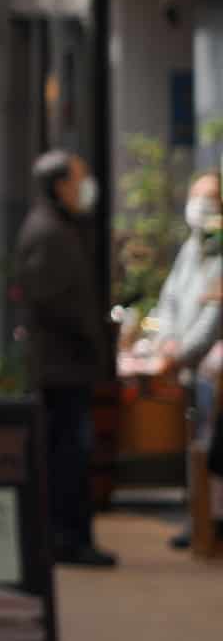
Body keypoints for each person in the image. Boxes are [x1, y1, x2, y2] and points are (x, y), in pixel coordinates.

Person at [17, 149, 116, 567]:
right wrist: (90, 336)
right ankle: (67, 537)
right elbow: (53, 300)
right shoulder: (50, 232)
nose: (86, 187)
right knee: (67, 453)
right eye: (79, 178)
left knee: (69, 451)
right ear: (60, 185)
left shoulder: (62, 228)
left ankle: (70, 535)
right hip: (62, 365)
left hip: (66, 363)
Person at [148, 171, 220, 548]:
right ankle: (199, 521)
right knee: (195, 445)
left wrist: (184, 352)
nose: (202, 205)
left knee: (209, 449)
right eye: (197, 197)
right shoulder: (193, 246)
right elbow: (169, 299)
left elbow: (213, 318)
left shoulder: (219, 249)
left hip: (212, 368)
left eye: (210, 197)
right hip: (190, 366)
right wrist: (165, 342)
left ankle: (209, 522)